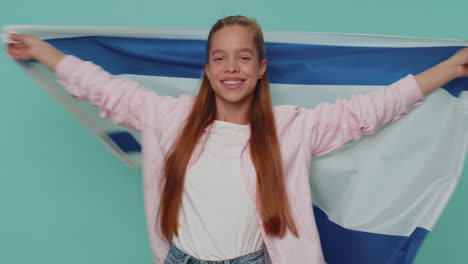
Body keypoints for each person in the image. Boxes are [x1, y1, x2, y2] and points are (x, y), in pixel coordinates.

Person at [6, 16, 468, 264]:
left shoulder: (293, 127)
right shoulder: (167, 117)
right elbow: (100, 87)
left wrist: (448, 69)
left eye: (243, 57)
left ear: (260, 68)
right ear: (207, 69)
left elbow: (372, 110)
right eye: (220, 58)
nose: (231, 68)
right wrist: (43, 51)